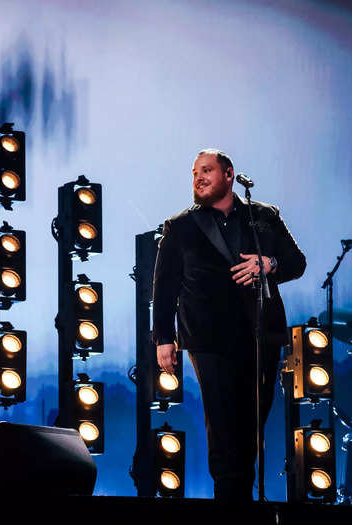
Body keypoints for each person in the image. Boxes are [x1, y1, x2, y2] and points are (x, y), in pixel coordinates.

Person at [152, 148, 306, 501]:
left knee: (252, 423)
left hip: (261, 334)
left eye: (206, 170)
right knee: (222, 425)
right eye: (194, 173)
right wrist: (163, 338)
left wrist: (270, 264)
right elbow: (164, 286)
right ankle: (229, 503)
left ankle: (240, 497)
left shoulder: (264, 216)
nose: (198, 178)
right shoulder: (180, 226)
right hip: (208, 337)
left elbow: (296, 262)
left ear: (229, 174)